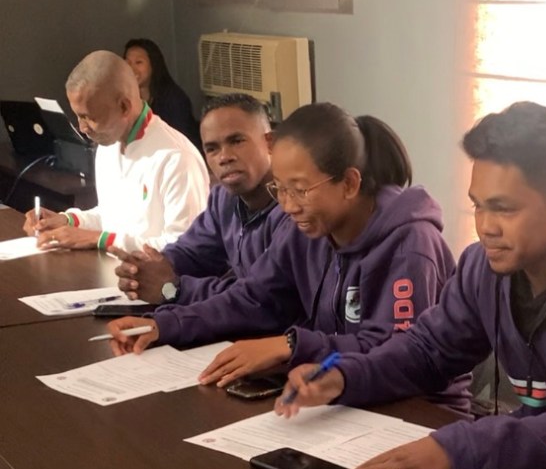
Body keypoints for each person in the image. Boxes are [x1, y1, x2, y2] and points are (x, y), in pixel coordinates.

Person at [275, 101, 546, 469]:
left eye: (504, 209)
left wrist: (458, 450)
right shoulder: (484, 266)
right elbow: (427, 351)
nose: (486, 226)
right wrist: (346, 377)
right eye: (478, 205)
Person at [106, 102, 467, 408]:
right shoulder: (307, 230)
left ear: (349, 183)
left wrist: (291, 345)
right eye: (279, 189)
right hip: (334, 392)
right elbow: (252, 298)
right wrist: (166, 325)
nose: (289, 206)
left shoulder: (410, 244)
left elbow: (395, 351)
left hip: (420, 408)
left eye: (300, 190)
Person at [23, 50, 209, 253]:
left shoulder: (176, 158)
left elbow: (186, 248)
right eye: (78, 116)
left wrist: (98, 239)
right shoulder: (108, 145)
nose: (82, 128)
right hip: (112, 268)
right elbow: (113, 218)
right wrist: (68, 220)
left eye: (89, 117)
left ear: (124, 107)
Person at [112, 93, 284, 306]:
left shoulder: (295, 210)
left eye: (237, 141)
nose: (224, 157)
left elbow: (259, 298)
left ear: (270, 143)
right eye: (212, 148)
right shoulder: (223, 199)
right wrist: (146, 269)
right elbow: (192, 253)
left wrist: (171, 289)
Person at [124, 38, 200, 148]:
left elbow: (180, 141)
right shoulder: (124, 99)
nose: (131, 68)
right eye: (128, 62)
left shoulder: (174, 100)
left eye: (138, 62)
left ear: (153, 64)